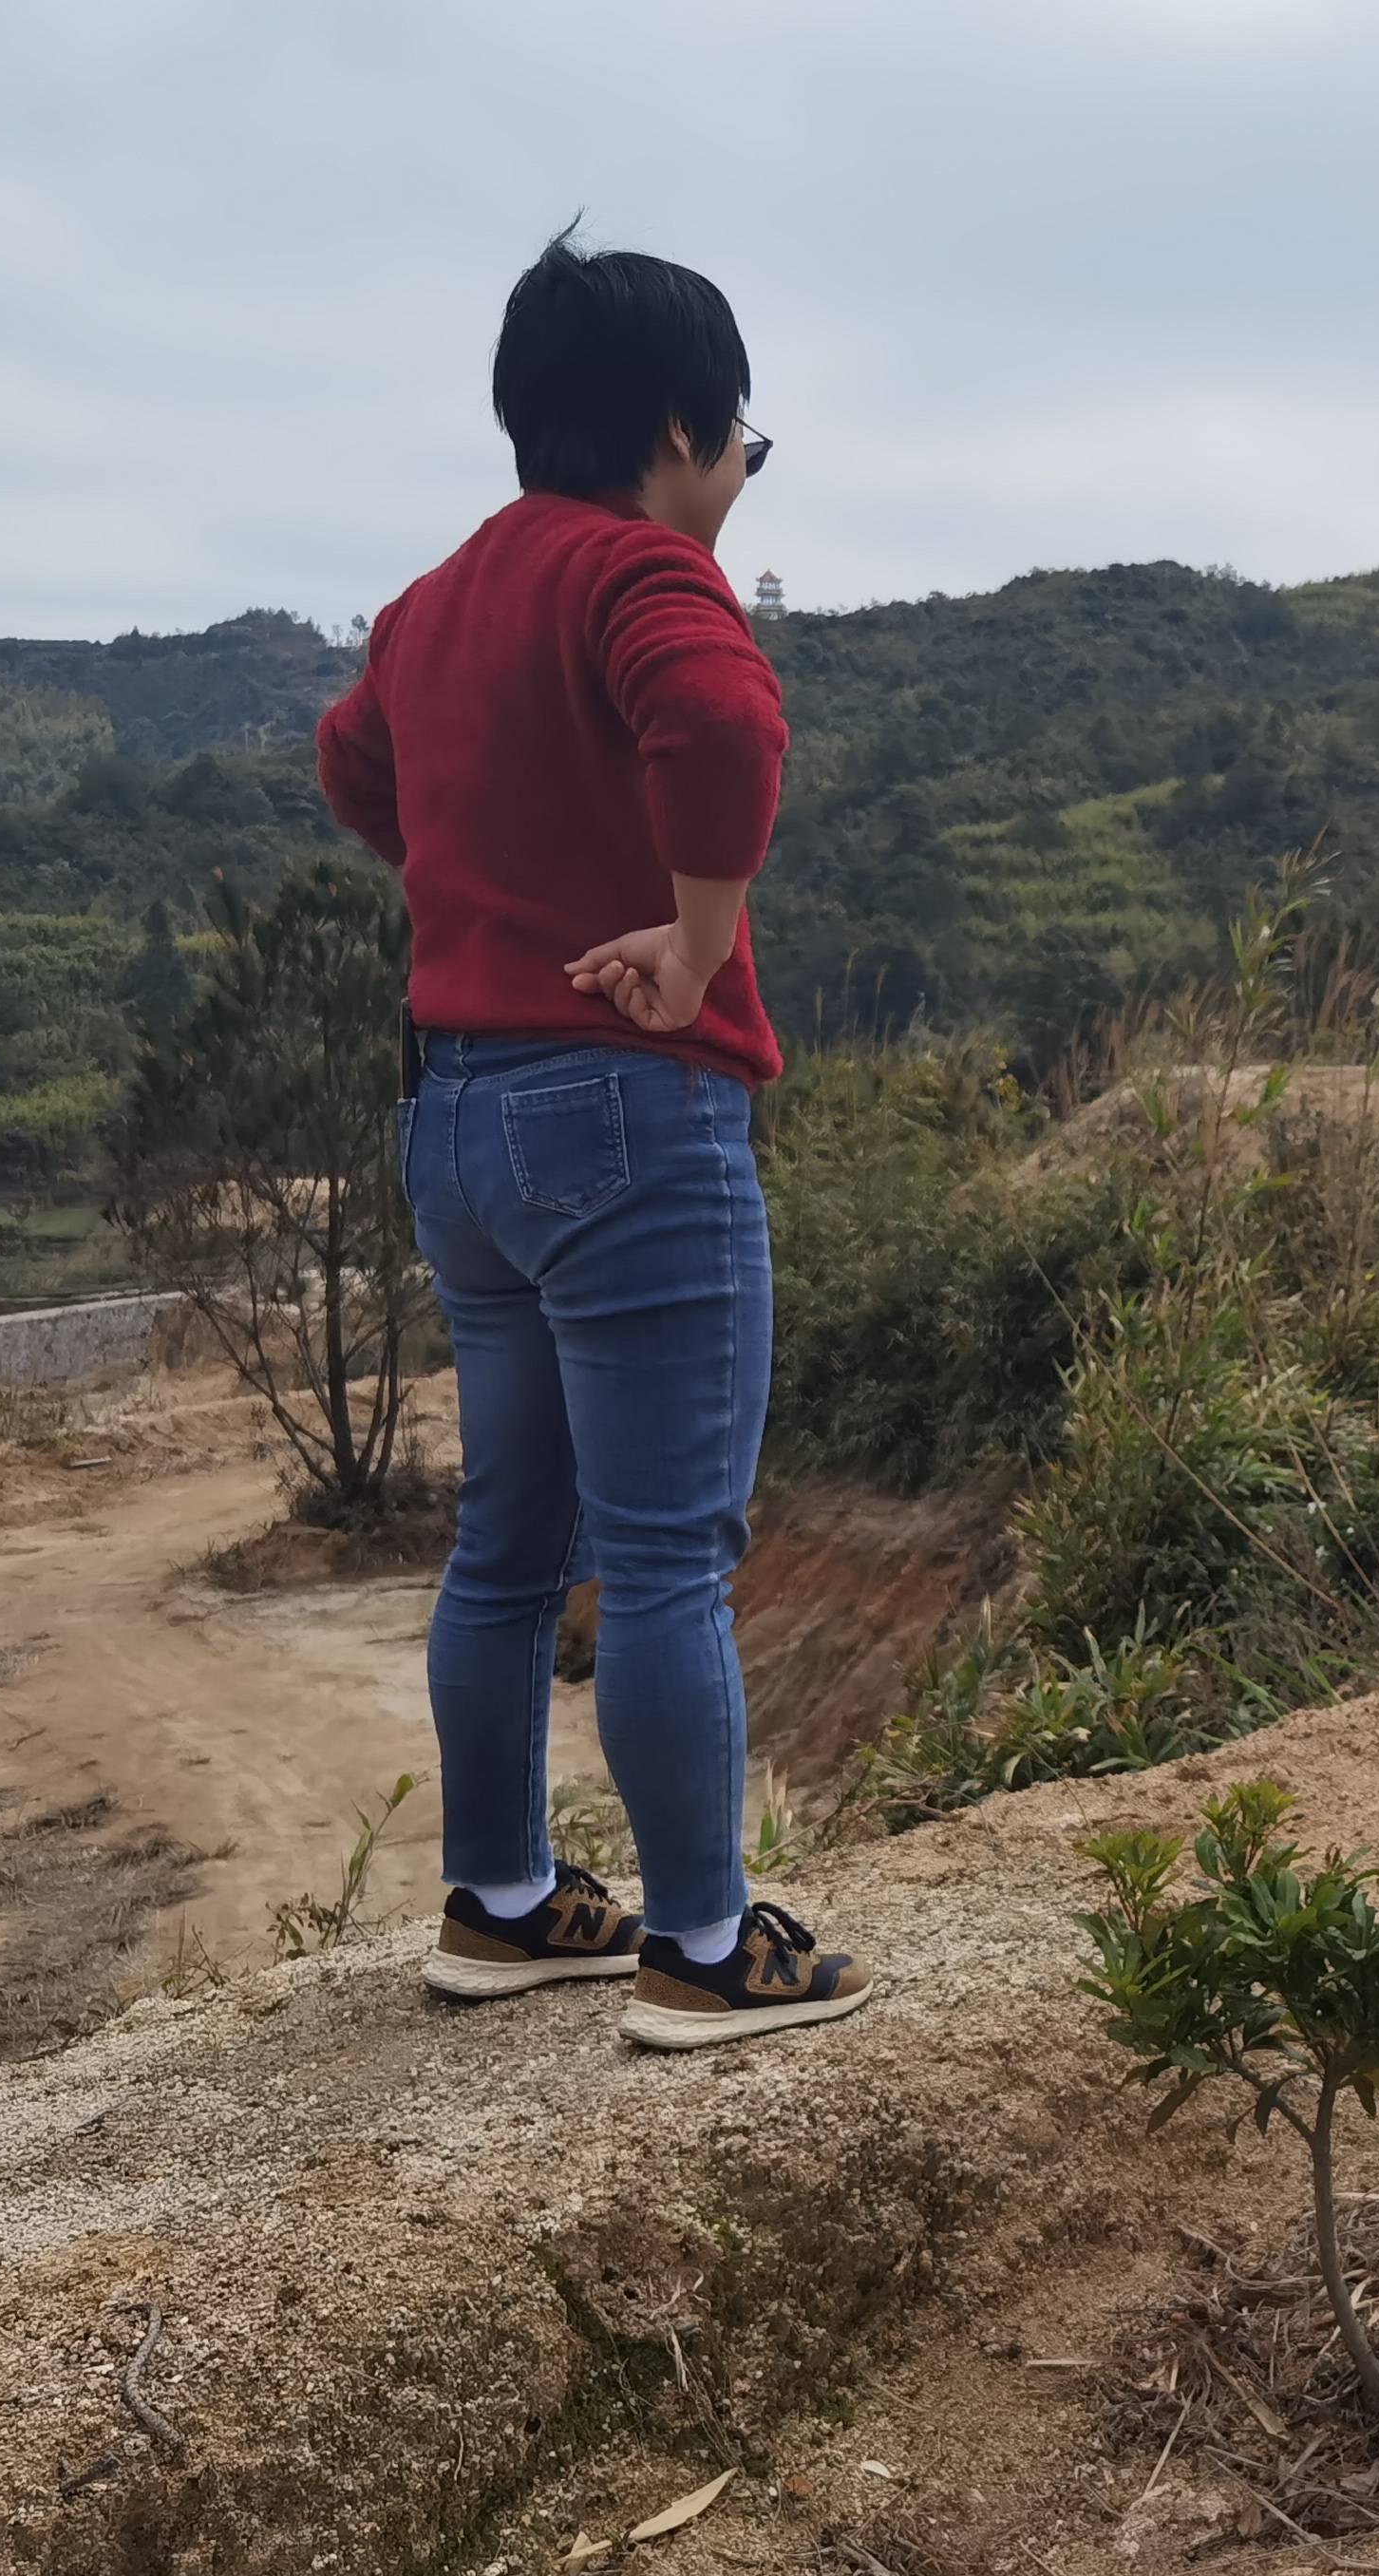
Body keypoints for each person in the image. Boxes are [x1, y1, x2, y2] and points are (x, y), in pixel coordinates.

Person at [316, 230, 871, 2053]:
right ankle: (704, 1943)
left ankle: (499, 1900)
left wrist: (474, 895)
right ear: (680, 429)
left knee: (508, 1542)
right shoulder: (642, 571)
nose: (737, 478)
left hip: (457, 1118)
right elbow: (720, 718)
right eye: (743, 446)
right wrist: (696, 947)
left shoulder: (434, 605)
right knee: (663, 1553)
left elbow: (351, 761)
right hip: (626, 1109)